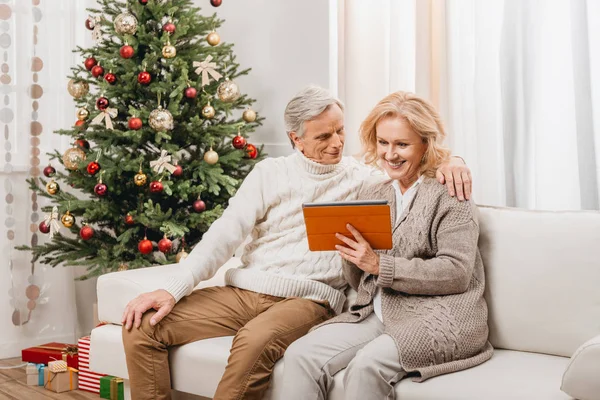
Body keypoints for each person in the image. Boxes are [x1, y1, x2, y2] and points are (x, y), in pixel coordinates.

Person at [121, 86, 473, 400]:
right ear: (295, 139)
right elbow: (223, 235)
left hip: (310, 298)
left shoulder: (363, 179)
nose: (336, 143)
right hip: (245, 291)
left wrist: (454, 160)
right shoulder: (271, 174)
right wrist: (170, 290)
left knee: (253, 342)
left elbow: (414, 162)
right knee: (143, 326)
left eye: (340, 131)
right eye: (323, 136)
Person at [280, 91, 493, 400]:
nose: (390, 154)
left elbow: (457, 272)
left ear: (425, 144)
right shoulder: (373, 190)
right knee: (299, 355)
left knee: (366, 366)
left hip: (441, 316)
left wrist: (379, 265)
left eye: (402, 144)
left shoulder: (449, 192)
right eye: (383, 143)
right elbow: (361, 281)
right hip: (378, 311)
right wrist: (353, 256)